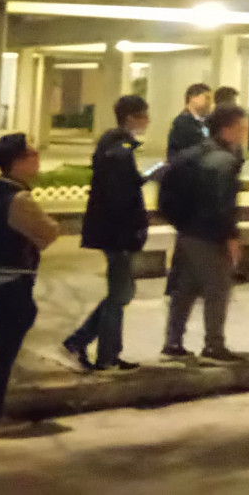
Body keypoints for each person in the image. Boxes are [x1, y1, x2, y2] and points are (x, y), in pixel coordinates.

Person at [0, 133, 61, 434]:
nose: (37, 158)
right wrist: (52, 224)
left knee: (2, 347)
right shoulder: (20, 200)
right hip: (12, 277)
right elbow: (47, 232)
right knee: (4, 351)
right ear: (17, 162)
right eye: (31, 154)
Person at [64, 94, 151, 372]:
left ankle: (84, 342)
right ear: (131, 118)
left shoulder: (115, 145)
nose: (148, 121)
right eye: (144, 115)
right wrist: (131, 231)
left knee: (121, 292)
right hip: (117, 233)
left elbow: (123, 183)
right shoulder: (118, 146)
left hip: (114, 231)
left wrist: (146, 177)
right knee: (120, 294)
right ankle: (105, 354)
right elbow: (119, 193)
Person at [161, 105, 248, 362]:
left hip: (187, 230)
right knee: (217, 289)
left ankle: (173, 341)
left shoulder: (189, 155)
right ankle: (214, 344)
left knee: (184, 289)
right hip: (210, 235)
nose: (244, 134)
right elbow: (223, 203)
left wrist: (179, 222)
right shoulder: (225, 162)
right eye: (242, 128)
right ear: (227, 129)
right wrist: (231, 236)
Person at [166, 83, 212, 160]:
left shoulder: (204, 121)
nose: (209, 102)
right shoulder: (182, 122)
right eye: (207, 98)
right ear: (192, 97)